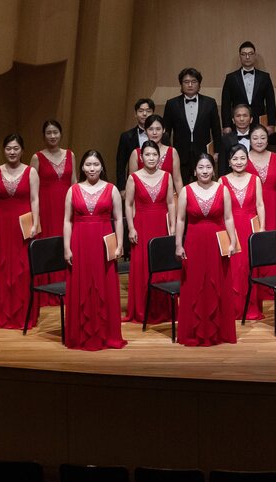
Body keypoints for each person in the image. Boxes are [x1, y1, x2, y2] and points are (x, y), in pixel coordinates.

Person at [174, 153, 239, 346]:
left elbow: (228, 218)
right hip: (193, 243)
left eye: (208, 167)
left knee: (217, 283)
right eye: (201, 167)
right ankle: (193, 330)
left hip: (217, 243)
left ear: (214, 170)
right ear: (194, 170)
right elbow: (180, 220)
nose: (205, 171)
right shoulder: (186, 191)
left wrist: (233, 241)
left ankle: (219, 331)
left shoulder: (223, 190)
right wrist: (178, 244)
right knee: (194, 284)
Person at [63, 150, 126, 351]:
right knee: (80, 285)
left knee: (104, 286)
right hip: (80, 243)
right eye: (88, 164)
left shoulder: (112, 189)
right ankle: (79, 334)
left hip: (103, 244)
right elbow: (67, 220)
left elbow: (118, 219)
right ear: (82, 167)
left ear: (102, 167)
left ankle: (107, 334)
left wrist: (120, 243)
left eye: (96, 165)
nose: (92, 168)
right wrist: (66, 247)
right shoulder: (73, 190)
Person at [0, 134, 40, 330]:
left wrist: (35, 224)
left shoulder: (31, 172)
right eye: (8, 148)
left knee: (22, 269)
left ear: (22, 150)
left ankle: (22, 315)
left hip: (22, 226)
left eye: (16, 148)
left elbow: (35, 200)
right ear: (4, 150)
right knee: (0, 268)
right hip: (1, 225)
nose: (12, 152)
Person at [124, 140, 177, 325]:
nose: (151, 158)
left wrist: (173, 227)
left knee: (162, 268)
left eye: (154, 154)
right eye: (147, 154)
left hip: (161, 226)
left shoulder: (167, 176)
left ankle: (164, 309)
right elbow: (128, 204)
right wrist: (131, 228)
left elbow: (171, 203)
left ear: (160, 157)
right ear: (141, 157)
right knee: (142, 266)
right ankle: (141, 310)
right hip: (142, 225)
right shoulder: (134, 177)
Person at [220, 145, 265, 322]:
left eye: (242, 158)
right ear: (229, 162)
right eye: (235, 159)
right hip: (230, 228)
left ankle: (251, 308)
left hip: (250, 228)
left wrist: (261, 229)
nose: (239, 162)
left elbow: (260, 205)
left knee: (249, 267)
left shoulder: (255, 180)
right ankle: (232, 308)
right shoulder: (222, 181)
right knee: (232, 268)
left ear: (248, 160)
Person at [31, 120, 73, 306]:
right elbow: (31, 187)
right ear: (43, 135)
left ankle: (67, 286)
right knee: (48, 242)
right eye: (48, 132)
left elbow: (74, 183)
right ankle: (47, 290)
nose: (52, 136)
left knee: (66, 240)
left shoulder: (70, 155)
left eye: (55, 132)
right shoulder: (37, 157)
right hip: (46, 208)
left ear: (61, 133)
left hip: (66, 206)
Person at [247, 124, 276, 311]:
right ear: (249, 140)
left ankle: (273, 288)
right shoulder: (242, 158)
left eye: (263, 137)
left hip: (274, 205)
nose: (259, 141)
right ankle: (258, 289)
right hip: (250, 207)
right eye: (255, 138)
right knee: (255, 244)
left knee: (273, 241)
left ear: (268, 139)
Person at [164, 68, 221, 183]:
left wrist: (216, 151)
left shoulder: (210, 103)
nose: (190, 85)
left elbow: (216, 129)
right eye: (186, 82)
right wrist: (168, 153)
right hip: (180, 155)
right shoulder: (172, 104)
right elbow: (166, 132)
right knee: (180, 187)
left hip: (203, 154)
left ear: (199, 84)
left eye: (194, 82)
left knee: (204, 187)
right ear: (181, 84)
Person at [220, 41, 275, 133]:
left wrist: (271, 124)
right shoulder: (231, 78)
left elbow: (270, 102)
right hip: (237, 123)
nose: (247, 57)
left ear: (255, 56)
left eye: (250, 54)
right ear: (240, 56)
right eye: (244, 54)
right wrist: (226, 125)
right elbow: (226, 104)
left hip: (259, 123)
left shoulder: (265, 77)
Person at [115, 98, 156, 191]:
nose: (144, 114)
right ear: (135, 114)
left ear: (153, 113)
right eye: (141, 111)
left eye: (148, 111)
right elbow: (120, 165)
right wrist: (122, 188)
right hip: (134, 183)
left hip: (157, 181)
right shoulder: (126, 136)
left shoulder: (162, 136)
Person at [128, 115, 181, 184]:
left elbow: (177, 179)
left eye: (158, 129)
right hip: (142, 194)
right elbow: (132, 181)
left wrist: (181, 194)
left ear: (164, 130)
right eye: (150, 129)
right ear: (145, 130)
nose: (154, 133)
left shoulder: (172, 152)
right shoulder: (136, 153)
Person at [217, 103, 257, 174]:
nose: (242, 119)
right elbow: (222, 166)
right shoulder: (225, 139)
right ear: (233, 120)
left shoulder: (258, 138)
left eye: (245, 115)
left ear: (251, 119)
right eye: (238, 116)